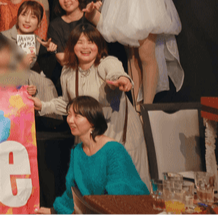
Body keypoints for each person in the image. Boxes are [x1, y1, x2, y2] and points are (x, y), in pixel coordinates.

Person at [31, 26, 150, 185]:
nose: (85, 47)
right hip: (89, 135)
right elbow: (68, 103)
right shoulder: (68, 71)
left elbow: (115, 72)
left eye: (91, 42)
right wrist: (43, 105)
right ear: (72, 46)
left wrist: (122, 79)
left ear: (99, 46)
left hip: (117, 131)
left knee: (122, 184)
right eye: (80, 42)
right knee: (94, 185)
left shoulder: (106, 62)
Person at [41, 96, 149, 214]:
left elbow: (120, 195)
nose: (70, 120)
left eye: (77, 116)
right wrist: (53, 211)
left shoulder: (113, 150)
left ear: (92, 121)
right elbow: (72, 194)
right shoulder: (77, 151)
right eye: (69, 114)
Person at [47, 0, 93, 69]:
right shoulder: (55, 25)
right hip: (69, 70)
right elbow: (62, 59)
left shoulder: (90, 17)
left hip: (94, 67)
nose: (66, 0)